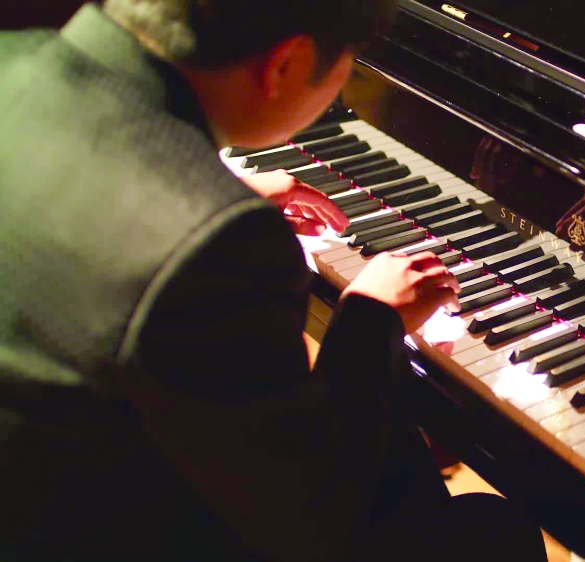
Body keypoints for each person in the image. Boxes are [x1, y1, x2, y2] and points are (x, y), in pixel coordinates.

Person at [0, 1, 547, 560]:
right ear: (285, 64)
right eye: (350, 65)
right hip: (100, 531)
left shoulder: (12, 58)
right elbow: (314, 521)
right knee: (491, 534)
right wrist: (369, 320)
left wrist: (201, 181)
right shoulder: (217, 240)